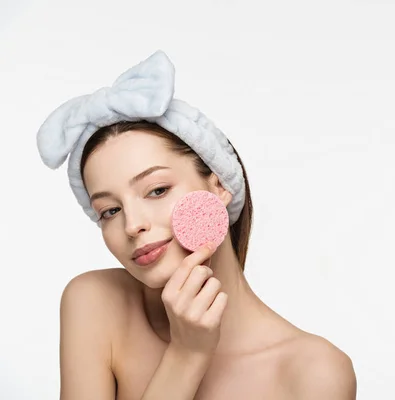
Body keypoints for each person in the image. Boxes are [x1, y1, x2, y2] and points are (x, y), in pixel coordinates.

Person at [36, 50, 356, 399]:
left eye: (157, 190)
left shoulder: (314, 372)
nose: (132, 225)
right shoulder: (96, 303)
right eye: (110, 211)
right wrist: (186, 355)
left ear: (219, 187)